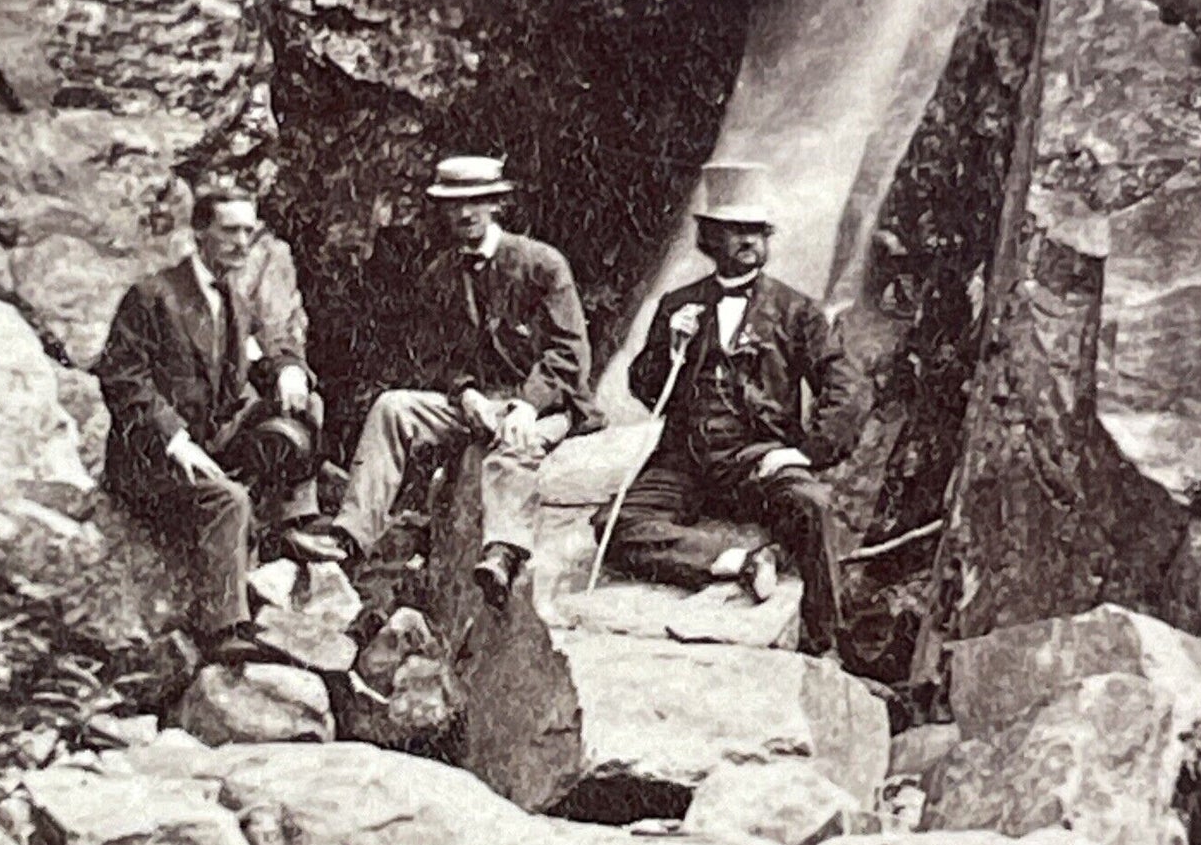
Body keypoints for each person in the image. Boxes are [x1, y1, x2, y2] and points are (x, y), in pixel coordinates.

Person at [292, 155, 603, 608]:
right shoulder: (439, 276)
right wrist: (466, 391)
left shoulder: (541, 264)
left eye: (477, 202)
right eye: (454, 204)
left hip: (548, 407)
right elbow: (436, 358)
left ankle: (502, 552)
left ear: (497, 204)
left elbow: (570, 352)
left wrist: (528, 404)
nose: (465, 214)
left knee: (515, 445)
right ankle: (350, 535)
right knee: (392, 408)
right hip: (478, 405)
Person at [600, 161, 869, 655]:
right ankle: (735, 562)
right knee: (616, 526)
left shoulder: (798, 311)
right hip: (685, 460)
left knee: (812, 504)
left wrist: (806, 453)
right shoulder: (679, 304)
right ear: (707, 238)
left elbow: (848, 386)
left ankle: (822, 642)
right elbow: (645, 388)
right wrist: (670, 346)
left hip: (756, 458)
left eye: (757, 230)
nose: (749, 240)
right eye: (734, 230)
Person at [96, 185, 329, 659]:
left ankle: (291, 521)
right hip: (150, 461)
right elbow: (122, 378)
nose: (242, 242)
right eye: (230, 231)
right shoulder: (154, 295)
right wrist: (173, 439)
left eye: (249, 231)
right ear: (199, 233)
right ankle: (223, 630)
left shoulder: (234, 301)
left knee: (307, 404)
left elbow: (265, 352)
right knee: (228, 499)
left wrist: (288, 371)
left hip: (210, 446)